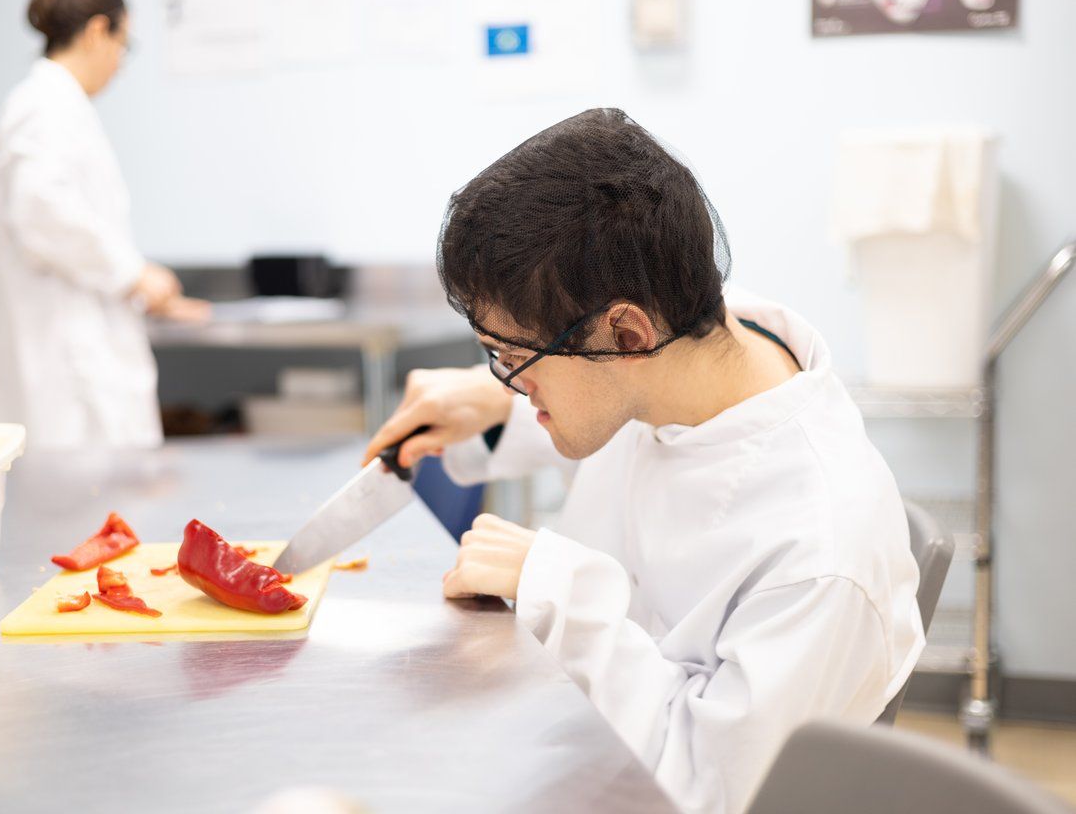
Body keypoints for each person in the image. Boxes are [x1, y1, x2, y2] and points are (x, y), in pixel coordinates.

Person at [364, 109, 924, 814]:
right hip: (578, 749)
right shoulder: (703, 337)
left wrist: (561, 588)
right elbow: (622, 410)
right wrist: (492, 400)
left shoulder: (819, 551)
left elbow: (710, 789)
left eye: (514, 357)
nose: (510, 376)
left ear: (625, 331)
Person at [0, 0, 208, 449]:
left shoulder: (62, 107)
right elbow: (41, 212)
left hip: (84, 353)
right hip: (67, 369)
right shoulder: (41, 106)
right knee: (78, 507)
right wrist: (134, 274)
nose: (120, 63)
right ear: (95, 32)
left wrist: (143, 289)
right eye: (122, 44)